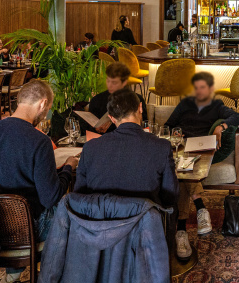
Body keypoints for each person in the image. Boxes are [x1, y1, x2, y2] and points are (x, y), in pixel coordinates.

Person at [0, 79, 77, 283]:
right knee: (69, 213)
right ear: (42, 104)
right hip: (24, 232)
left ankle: (11, 280)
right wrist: (67, 169)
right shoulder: (39, 141)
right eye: (48, 108)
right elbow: (51, 197)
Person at [74, 89, 178, 233]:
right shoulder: (162, 147)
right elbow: (171, 197)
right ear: (140, 108)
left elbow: (79, 195)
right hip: (145, 232)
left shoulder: (90, 147)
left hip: (101, 232)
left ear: (111, 118)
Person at [164, 72, 239, 257]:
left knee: (182, 171)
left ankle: (181, 229)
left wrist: (221, 127)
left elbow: (237, 117)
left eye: (203, 88)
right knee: (183, 171)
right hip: (183, 146)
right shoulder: (184, 104)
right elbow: (168, 125)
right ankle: (200, 208)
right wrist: (175, 133)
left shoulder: (217, 105)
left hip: (202, 148)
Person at [86, 62, 147, 133]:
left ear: (124, 82)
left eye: (114, 82)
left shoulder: (136, 99)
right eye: (108, 81)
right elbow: (90, 129)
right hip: (103, 138)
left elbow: (145, 125)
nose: (109, 85)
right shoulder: (97, 100)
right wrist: (96, 129)